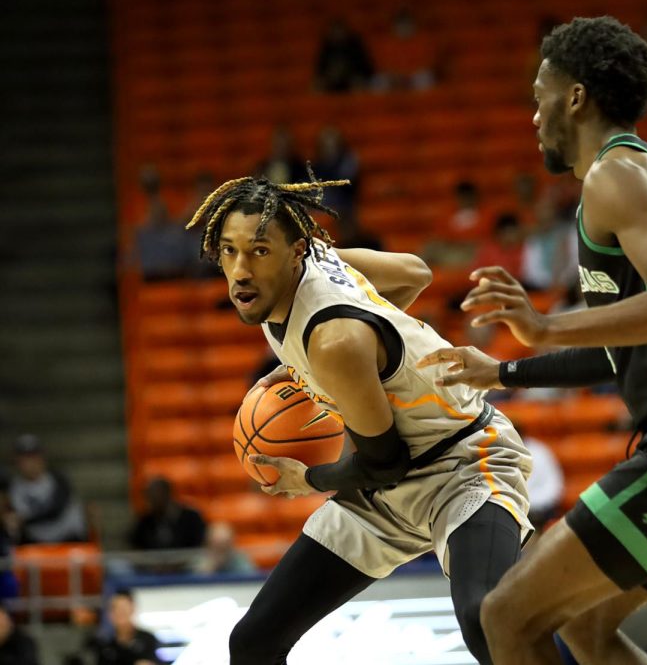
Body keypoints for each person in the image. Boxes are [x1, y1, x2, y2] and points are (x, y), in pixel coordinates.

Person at [417, 16, 647, 665]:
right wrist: (503, 371)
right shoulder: (636, 176)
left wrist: (543, 324)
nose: (533, 115)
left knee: (507, 615)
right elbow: (627, 346)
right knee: (588, 628)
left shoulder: (616, 175)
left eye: (539, 95)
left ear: (575, 97)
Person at [183, 173, 532, 665]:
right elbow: (414, 273)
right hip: (387, 487)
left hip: (462, 464)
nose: (240, 270)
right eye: (228, 250)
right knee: (253, 642)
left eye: (259, 251)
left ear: (296, 250)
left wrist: (306, 477)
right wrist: (347, 363)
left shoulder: (335, 340)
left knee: (487, 621)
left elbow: (385, 462)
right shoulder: (301, 275)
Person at [2, 433, 87, 544]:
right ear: (17, 461)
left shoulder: (58, 479)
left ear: (42, 458)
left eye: (33, 456)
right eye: (25, 458)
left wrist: (24, 520)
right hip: (36, 545)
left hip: (69, 541)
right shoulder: (14, 488)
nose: (30, 463)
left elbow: (55, 510)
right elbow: (12, 519)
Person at [84, 589, 161, 665]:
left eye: (124, 609)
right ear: (109, 614)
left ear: (132, 609)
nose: (120, 613)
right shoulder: (103, 645)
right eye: (116, 609)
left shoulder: (148, 640)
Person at [129, 477, 206, 553]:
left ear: (167, 493)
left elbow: (198, 545)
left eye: (156, 494)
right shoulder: (146, 521)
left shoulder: (191, 518)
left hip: (189, 562)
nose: (152, 500)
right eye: (149, 496)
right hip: (153, 564)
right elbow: (136, 546)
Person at [313, 19, 375, 93]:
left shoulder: (355, 45)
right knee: (317, 86)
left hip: (352, 78)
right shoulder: (326, 47)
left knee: (358, 84)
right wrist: (329, 75)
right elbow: (320, 70)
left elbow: (366, 67)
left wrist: (353, 74)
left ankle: (359, 103)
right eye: (334, 32)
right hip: (332, 80)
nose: (337, 34)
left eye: (339, 31)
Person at [190, 521, 257, 576]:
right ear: (208, 544)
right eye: (217, 546)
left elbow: (250, 580)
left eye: (225, 545)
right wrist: (208, 569)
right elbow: (192, 584)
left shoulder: (240, 558)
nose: (221, 550)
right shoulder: (199, 559)